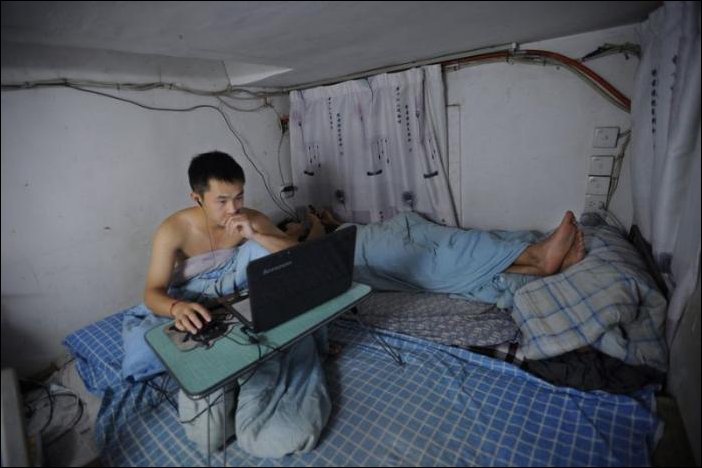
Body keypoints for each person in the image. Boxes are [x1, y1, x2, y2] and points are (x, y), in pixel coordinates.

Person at [280, 207, 586, 306]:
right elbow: (311, 239)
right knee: (450, 257)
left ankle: (541, 262)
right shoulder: (302, 248)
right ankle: (539, 257)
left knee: (456, 242)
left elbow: (337, 227)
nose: (295, 224)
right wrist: (310, 223)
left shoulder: (329, 233)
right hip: (375, 250)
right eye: (289, 226)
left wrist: (329, 220)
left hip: (391, 231)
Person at [143, 151, 296, 335]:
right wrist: (176, 308)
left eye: (239, 197)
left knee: (260, 248)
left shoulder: (250, 219)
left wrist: (255, 235)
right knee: (146, 341)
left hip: (237, 290)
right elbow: (153, 291)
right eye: (222, 201)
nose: (233, 209)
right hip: (193, 299)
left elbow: (300, 254)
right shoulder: (172, 230)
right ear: (197, 198)